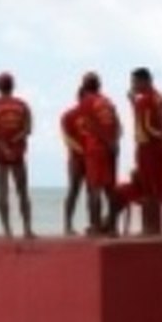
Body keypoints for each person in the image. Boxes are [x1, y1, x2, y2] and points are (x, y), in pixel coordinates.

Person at [0, 72, 35, 238]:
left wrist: (3, 146)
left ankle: (7, 230)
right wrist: (14, 142)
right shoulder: (22, 106)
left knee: (2, 191)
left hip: (0, 153)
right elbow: (27, 129)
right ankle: (27, 228)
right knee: (22, 191)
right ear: (12, 86)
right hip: (18, 151)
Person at [76, 72, 122, 235]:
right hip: (112, 150)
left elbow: (91, 126)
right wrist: (114, 142)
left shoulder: (85, 102)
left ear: (84, 86)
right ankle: (113, 227)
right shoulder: (108, 102)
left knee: (94, 189)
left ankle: (95, 227)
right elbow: (118, 125)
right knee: (110, 189)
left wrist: (107, 141)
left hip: (96, 149)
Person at [128, 67, 162, 235]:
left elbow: (146, 126)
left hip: (147, 146)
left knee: (148, 186)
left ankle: (150, 228)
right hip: (158, 146)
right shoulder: (160, 98)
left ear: (143, 81)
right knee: (155, 185)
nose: (133, 85)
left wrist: (135, 103)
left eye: (134, 82)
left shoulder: (145, 100)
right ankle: (155, 226)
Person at [60, 82, 89, 235]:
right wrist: (82, 150)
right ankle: (68, 224)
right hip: (76, 158)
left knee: (93, 191)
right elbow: (67, 138)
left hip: (93, 157)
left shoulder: (95, 114)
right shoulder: (69, 115)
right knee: (74, 190)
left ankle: (93, 223)